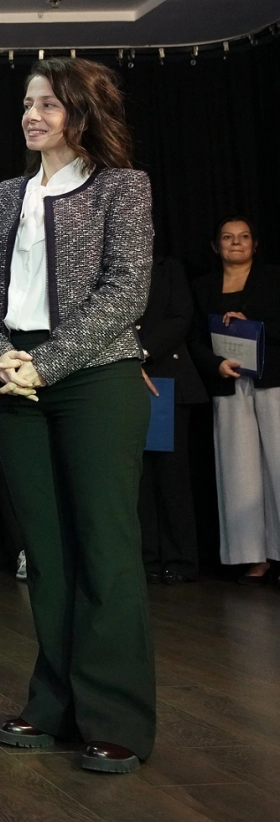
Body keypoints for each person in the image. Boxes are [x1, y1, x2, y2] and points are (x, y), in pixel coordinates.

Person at [0, 57, 155, 774]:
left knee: (104, 547)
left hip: (95, 378)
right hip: (14, 377)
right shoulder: (3, 196)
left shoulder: (122, 187)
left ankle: (117, 718)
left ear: (82, 112)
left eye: (48, 103)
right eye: (27, 103)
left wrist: (47, 363)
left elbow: (126, 291)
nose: (32, 115)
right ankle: (55, 705)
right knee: (46, 554)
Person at [188, 216, 280, 582]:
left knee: (278, 464)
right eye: (227, 237)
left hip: (272, 379)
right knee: (238, 470)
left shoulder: (273, 278)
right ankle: (253, 556)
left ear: (255, 244)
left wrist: (253, 325)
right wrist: (216, 364)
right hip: (228, 381)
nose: (236, 242)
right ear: (216, 246)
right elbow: (194, 338)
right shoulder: (202, 287)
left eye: (243, 237)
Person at [136, 255, 204, 584]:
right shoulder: (106, 264)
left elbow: (181, 317)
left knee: (172, 477)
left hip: (168, 381)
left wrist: (141, 353)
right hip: (123, 379)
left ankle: (180, 559)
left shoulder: (169, 268)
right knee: (139, 478)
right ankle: (145, 558)